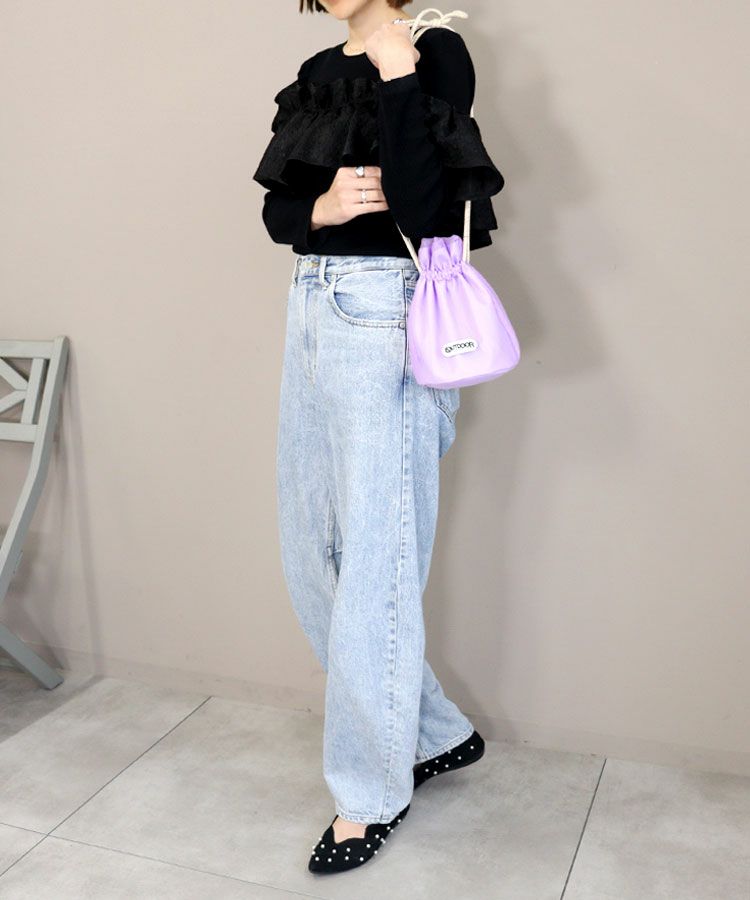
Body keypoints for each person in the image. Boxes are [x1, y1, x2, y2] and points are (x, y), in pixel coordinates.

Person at [252, 0, 504, 875]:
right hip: (312, 307)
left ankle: (370, 792)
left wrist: (399, 75)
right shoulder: (318, 71)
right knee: (310, 550)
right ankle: (434, 732)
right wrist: (319, 208)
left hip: (384, 312)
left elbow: (432, 212)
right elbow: (278, 212)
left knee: (375, 564)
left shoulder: (436, 51)